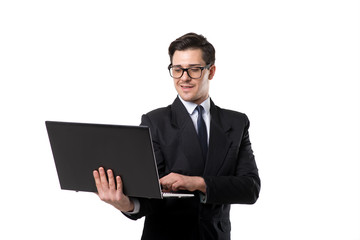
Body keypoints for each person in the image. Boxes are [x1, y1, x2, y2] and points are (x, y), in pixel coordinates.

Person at [93, 32, 260, 240]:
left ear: (212, 71)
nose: (184, 78)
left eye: (194, 70)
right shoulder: (155, 122)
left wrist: (197, 182)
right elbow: (150, 194)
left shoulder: (236, 123)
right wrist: (126, 204)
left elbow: (250, 188)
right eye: (177, 69)